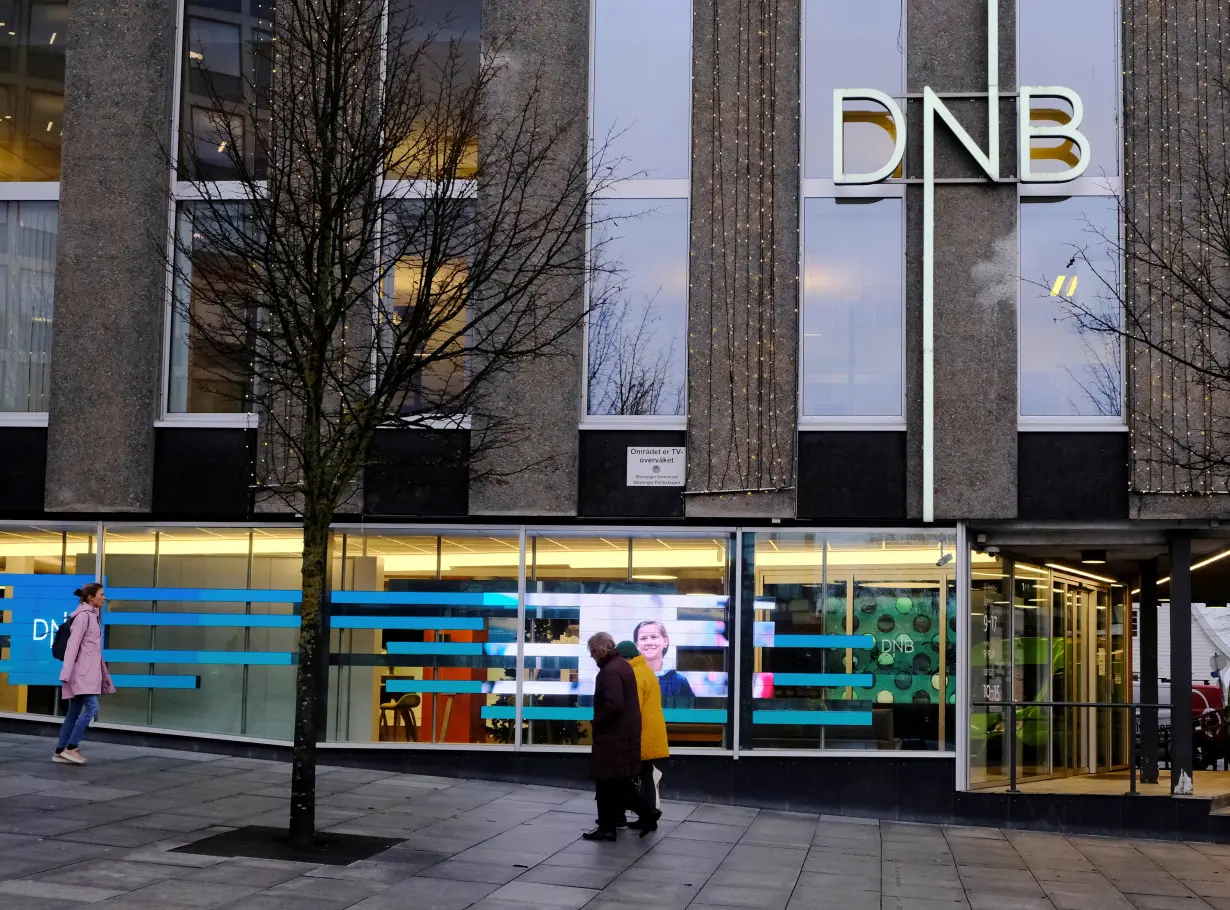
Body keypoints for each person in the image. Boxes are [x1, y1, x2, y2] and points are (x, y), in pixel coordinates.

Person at [584, 632, 652, 841]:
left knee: (606, 783)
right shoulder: (622, 665)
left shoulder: (610, 671)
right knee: (617, 783)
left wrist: (598, 721)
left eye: (593, 652)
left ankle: (608, 827)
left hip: (613, 737)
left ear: (599, 650)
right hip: (623, 735)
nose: (592, 657)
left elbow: (614, 704)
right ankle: (643, 815)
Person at [54, 584, 115, 765]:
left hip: (86, 671)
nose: (104, 597)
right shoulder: (83, 617)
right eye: (101, 595)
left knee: (74, 711)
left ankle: (59, 751)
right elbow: (73, 646)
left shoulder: (91, 616)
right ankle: (71, 747)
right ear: (91, 598)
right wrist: (66, 673)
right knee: (92, 709)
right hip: (82, 673)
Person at [617, 640, 667, 834]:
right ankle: (648, 818)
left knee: (632, 777)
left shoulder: (635, 675)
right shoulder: (645, 670)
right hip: (651, 733)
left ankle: (648, 816)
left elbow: (632, 708)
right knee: (645, 776)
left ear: (626, 658)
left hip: (641, 734)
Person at [633, 620, 695, 705]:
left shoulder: (679, 681)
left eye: (654, 637)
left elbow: (689, 714)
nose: (649, 642)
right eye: (643, 638)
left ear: (665, 641)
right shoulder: (629, 679)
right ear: (637, 645)